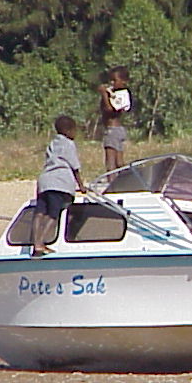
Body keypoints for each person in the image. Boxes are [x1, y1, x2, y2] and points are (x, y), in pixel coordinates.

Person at [31, 115, 87, 257]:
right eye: (74, 131)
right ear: (68, 131)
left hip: (44, 181)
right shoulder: (68, 144)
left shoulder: (52, 143)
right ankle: (41, 244)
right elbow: (74, 166)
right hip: (59, 182)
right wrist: (81, 186)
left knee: (40, 213)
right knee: (53, 214)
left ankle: (35, 242)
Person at [98, 66, 131, 171]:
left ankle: (112, 185)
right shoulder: (114, 94)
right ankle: (126, 180)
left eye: (114, 80)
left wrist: (104, 94)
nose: (111, 83)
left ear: (124, 81)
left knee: (111, 164)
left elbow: (110, 110)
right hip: (117, 130)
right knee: (119, 162)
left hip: (112, 130)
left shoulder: (123, 95)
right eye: (110, 80)